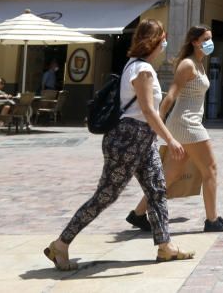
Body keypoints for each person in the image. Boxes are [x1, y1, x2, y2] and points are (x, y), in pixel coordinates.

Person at [44, 19, 193, 270]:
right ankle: (61, 244)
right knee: (106, 195)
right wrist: (170, 139)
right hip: (129, 138)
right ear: (154, 41)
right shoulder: (142, 70)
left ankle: (165, 246)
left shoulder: (136, 66)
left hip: (142, 139)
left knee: (156, 189)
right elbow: (147, 110)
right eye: (163, 38)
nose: (166, 43)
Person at [128, 25, 223, 233]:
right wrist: (158, 122)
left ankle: (138, 214)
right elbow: (171, 95)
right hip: (187, 123)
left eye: (210, 38)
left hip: (187, 122)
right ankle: (212, 220)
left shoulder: (199, 63)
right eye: (205, 39)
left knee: (170, 175)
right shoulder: (187, 64)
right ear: (195, 41)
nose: (209, 43)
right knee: (211, 169)